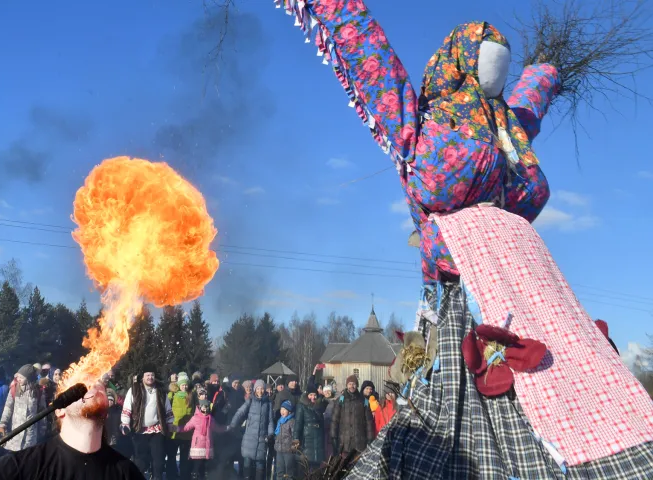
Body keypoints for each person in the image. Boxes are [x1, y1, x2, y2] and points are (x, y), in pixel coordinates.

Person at [275, 1, 653, 478]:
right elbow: (371, 59)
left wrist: (545, 74)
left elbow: (528, 108)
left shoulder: (504, 126)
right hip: (463, 296)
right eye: (489, 62)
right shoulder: (424, 124)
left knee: (548, 396)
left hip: (532, 294)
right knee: (457, 407)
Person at [0, 382, 146, 480]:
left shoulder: (126, 473)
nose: (93, 385)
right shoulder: (22, 467)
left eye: (99, 384)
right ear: (59, 411)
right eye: (83, 382)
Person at [121, 364, 175, 479]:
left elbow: (167, 408)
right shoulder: (134, 389)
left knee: (159, 461)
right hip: (139, 430)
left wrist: (170, 422)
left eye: (152, 375)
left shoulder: (160, 391)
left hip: (156, 431)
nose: (150, 377)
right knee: (141, 462)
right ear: (143, 377)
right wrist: (125, 423)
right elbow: (127, 407)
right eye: (148, 375)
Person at [230, 379, 274, 480]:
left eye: (262, 388)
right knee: (247, 464)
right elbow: (240, 412)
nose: (260, 391)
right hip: (249, 439)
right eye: (258, 388)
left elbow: (270, 421)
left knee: (260, 465)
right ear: (255, 389)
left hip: (262, 439)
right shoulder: (250, 400)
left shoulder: (268, 403)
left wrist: (271, 433)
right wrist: (233, 424)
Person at [0, 364, 47, 453]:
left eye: (21, 377)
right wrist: (2, 425)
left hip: (30, 435)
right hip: (15, 433)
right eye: (18, 377)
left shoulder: (38, 391)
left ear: (29, 378)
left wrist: (42, 430)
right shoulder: (14, 389)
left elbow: (42, 411)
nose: (18, 379)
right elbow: (8, 408)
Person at [177, 399, 226, 479]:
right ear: (200, 407)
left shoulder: (210, 419)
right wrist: (177, 428)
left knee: (204, 467)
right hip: (198, 446)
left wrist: (226, 428)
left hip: (207, 446)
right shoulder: (195, 418)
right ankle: (194, 476)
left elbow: (217, 428)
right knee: (197, 465)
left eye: (207, 407)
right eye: (204, 407)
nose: (205, 409)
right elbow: (186, 427)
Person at [330, 375, 373, 454]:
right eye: (350, 384)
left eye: (354, 384)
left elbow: (369, 421)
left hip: (360, 443)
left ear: (357, 385)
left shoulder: (364, 401)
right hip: (344, 442)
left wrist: (370, 438)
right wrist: (333, 437)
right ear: (347, 385)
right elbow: (334, 420)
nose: (352, 386)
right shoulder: (341, 400)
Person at [167, 372, 193, 480]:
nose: (184, 386)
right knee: (172, 456)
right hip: (174, 431)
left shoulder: (191, 395)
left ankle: (185, 476)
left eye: (186, 384)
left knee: (185, 457)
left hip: (187, 432)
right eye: (182, 384)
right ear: (179, 385)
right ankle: (171, 475)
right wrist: (172, 384)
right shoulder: (173, 395)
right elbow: (166, 403)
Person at [294, 389, 328, 473]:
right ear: (307, 395)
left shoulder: (320, 407)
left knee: (317, 471)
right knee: (305, 469)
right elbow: (298, 424)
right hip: (306, 441)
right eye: (311, 395)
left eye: (315, 395)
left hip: (318, 442)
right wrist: (296, 439)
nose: (313, 397)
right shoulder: (301, 406)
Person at [273, 400, 297, 480]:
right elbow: (277, 434)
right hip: (279, 450)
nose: (282, 411)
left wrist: (293, 447)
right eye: (281, 409)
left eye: (284, 409)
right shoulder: (279, 420)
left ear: (289, 412)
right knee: (279, 471)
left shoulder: (292, 421)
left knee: (289, 472)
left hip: (288, 451)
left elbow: (294, 435)